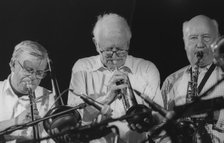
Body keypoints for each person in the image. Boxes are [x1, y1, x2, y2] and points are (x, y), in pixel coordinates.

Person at [67, 13, 164, 143]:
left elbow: (160, 116)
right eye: (108, 50)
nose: (114, 56)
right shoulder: (82, 68)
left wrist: (147, 120)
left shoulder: (146, 68)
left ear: (128, 43)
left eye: (120, 50)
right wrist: (107, 99)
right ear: (96, 44)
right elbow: (74, 118)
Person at [161, 15, 224, 143]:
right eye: (193, 38)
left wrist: (215, 115)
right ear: (185, 43)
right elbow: (161, 127)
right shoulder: (171, 81)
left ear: (217, 40)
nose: (200, 44)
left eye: (206, 37)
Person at [0, 40, 56, 143]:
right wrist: (14, 122)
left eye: (39, 73)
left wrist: (42, 135)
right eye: (28, 70)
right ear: (13, 65)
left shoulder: (49, 97)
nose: (33, 77)